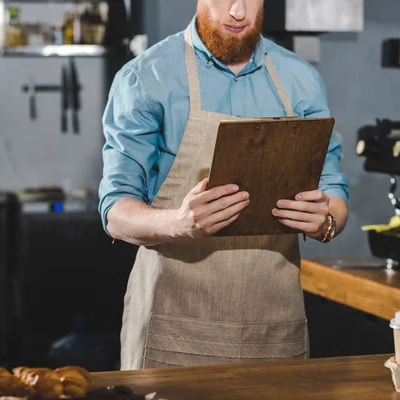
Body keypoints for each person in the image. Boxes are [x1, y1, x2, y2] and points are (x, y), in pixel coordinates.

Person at [98, 0, 349, 370]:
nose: (238, 11)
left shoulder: (300, 79)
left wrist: (326, 222)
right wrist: (179, 224)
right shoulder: (146, 77)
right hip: (175, 334)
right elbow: (116, 212)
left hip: (275, 335)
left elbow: (334, 195)